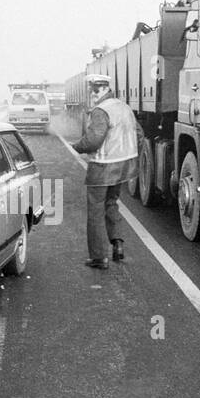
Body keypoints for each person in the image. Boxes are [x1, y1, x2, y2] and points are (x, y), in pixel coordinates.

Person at [72, 75, 140, 269]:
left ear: (100, 90)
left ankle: (99, 257)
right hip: (123, 167)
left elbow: (94, 140)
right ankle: (117, 245)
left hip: (103, 168)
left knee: (95, 210)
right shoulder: (124, 107)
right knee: (111, 203)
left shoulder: (101, 111)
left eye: (94, 90)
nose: (92, 95)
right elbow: (139, 135)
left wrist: (77, 147)